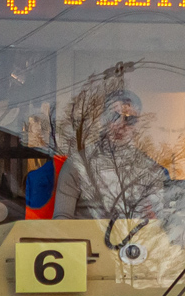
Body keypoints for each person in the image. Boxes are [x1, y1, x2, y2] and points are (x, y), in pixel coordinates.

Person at [53, 90, 169, 232]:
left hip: (138, 249)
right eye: (115, 116)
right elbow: (61, 222)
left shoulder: (150, 169)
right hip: (89, 251)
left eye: (130, 120)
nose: (121, 124)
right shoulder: (77, 165)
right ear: (103, 119)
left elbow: (166, 221)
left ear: (136, 125)